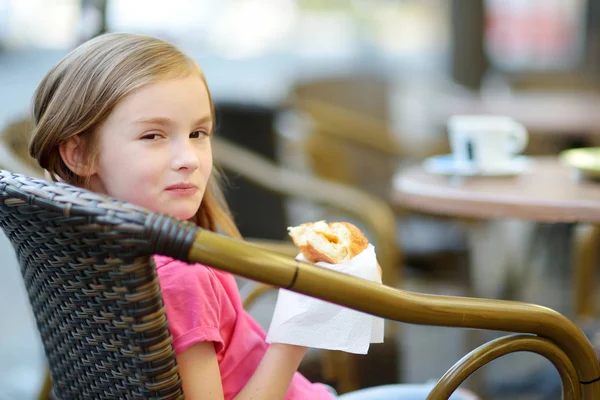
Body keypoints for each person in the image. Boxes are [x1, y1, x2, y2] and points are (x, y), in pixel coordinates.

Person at [28, 32, 477, 400]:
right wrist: (296, 329)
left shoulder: (83, 251)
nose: (189, 158)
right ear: (79, 152)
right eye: (153, 135)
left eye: (198, 132)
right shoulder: (180, 277)